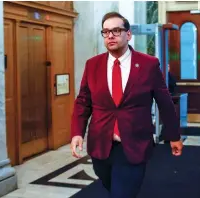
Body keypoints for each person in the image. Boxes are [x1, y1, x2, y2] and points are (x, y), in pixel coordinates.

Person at [70, 12, 183, 198]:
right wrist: (77, 132)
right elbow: (83, 101)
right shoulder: (93, 65)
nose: (110, 36)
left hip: (133, 143)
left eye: (116, 30)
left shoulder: (148, 64)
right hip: (101, 144)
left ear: (128, 34)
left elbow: (164, 102)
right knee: (114, 188)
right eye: (105, 32)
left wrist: (173, 135)